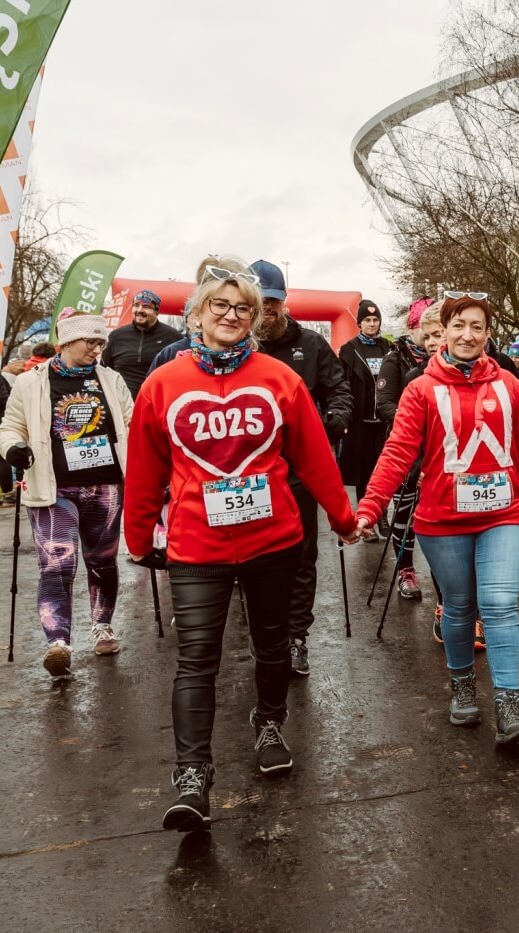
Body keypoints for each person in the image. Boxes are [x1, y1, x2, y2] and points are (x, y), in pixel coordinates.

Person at [123, 258, 359, 832]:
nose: (231, 315)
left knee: (273, 646)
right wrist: (137, 535)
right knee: (196, 661)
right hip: (196, 546)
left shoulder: (280, 380)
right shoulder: (164, 383)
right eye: (219, 306)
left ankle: (270, 723)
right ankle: (192, 777)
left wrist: (343, 517)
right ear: (197, 314)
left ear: (256, 318)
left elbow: (312, 456)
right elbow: (146, 469)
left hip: (271, 539)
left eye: (243, 308)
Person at [354, 296, 519, 745]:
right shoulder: (420, 389)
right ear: (443, 331)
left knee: (501, 603)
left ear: (488, 334)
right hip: (442, 518)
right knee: (459, 606)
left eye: (478, 327)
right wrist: (371, 506)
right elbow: (397, 454)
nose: (468, 335)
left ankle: (508, 704)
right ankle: (463, 682)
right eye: (459, 326)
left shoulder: (508, 383)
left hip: (503, 514)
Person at [0, 310, 133, 677]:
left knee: (102, 561)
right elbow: (10, 424)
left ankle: (102, 624)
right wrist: (13, 447)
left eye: (101, 342)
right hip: (54, 487)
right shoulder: (30, 383)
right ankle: (58, 642)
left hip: (105, 485)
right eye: (90, 341)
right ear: (66, 342)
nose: (96, 349)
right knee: (57, 563)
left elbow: (131, 420)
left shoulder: (110, 379)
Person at [250, 259, 353, 676]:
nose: (266, 310)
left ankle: (296, 637)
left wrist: (336, 418)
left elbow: (339, 387)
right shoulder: (237, 346)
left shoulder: (309, 344)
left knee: (301, 555)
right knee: (253, 557)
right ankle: (262, 632)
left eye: (272, 301)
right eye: (258, 302)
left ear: (283, 300)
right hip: (248, 471)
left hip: (298, 469)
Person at [377, 298, 436, 600]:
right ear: (414, 328)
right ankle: (405, 569)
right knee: (405, 512)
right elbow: (383, 403)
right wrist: (412, 418)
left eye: (437, 334)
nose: (431, 341)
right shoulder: (395, 358)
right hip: (408, 446)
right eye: (426, 334)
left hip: (437, 451)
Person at [338, 299, 391, 538]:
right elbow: (343, 386)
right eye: (367, 320)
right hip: (360, 423)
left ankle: (384, 517)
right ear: (359, 323)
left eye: (375, 319)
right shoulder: (350, 350)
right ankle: (366, 519)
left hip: (384, 423)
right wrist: (345, 419)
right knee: (363, 473)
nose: (372, 323)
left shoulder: (389, 348)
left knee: (385, 471)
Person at [101, 290, 182, 397]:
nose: (140, 310)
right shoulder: (116, 336)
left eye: (146, 307)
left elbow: (180, 374)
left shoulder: (173, 337)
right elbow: (105, 372)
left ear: (156, 312)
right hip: (122, 405)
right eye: (136, 305)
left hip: (155, 403)